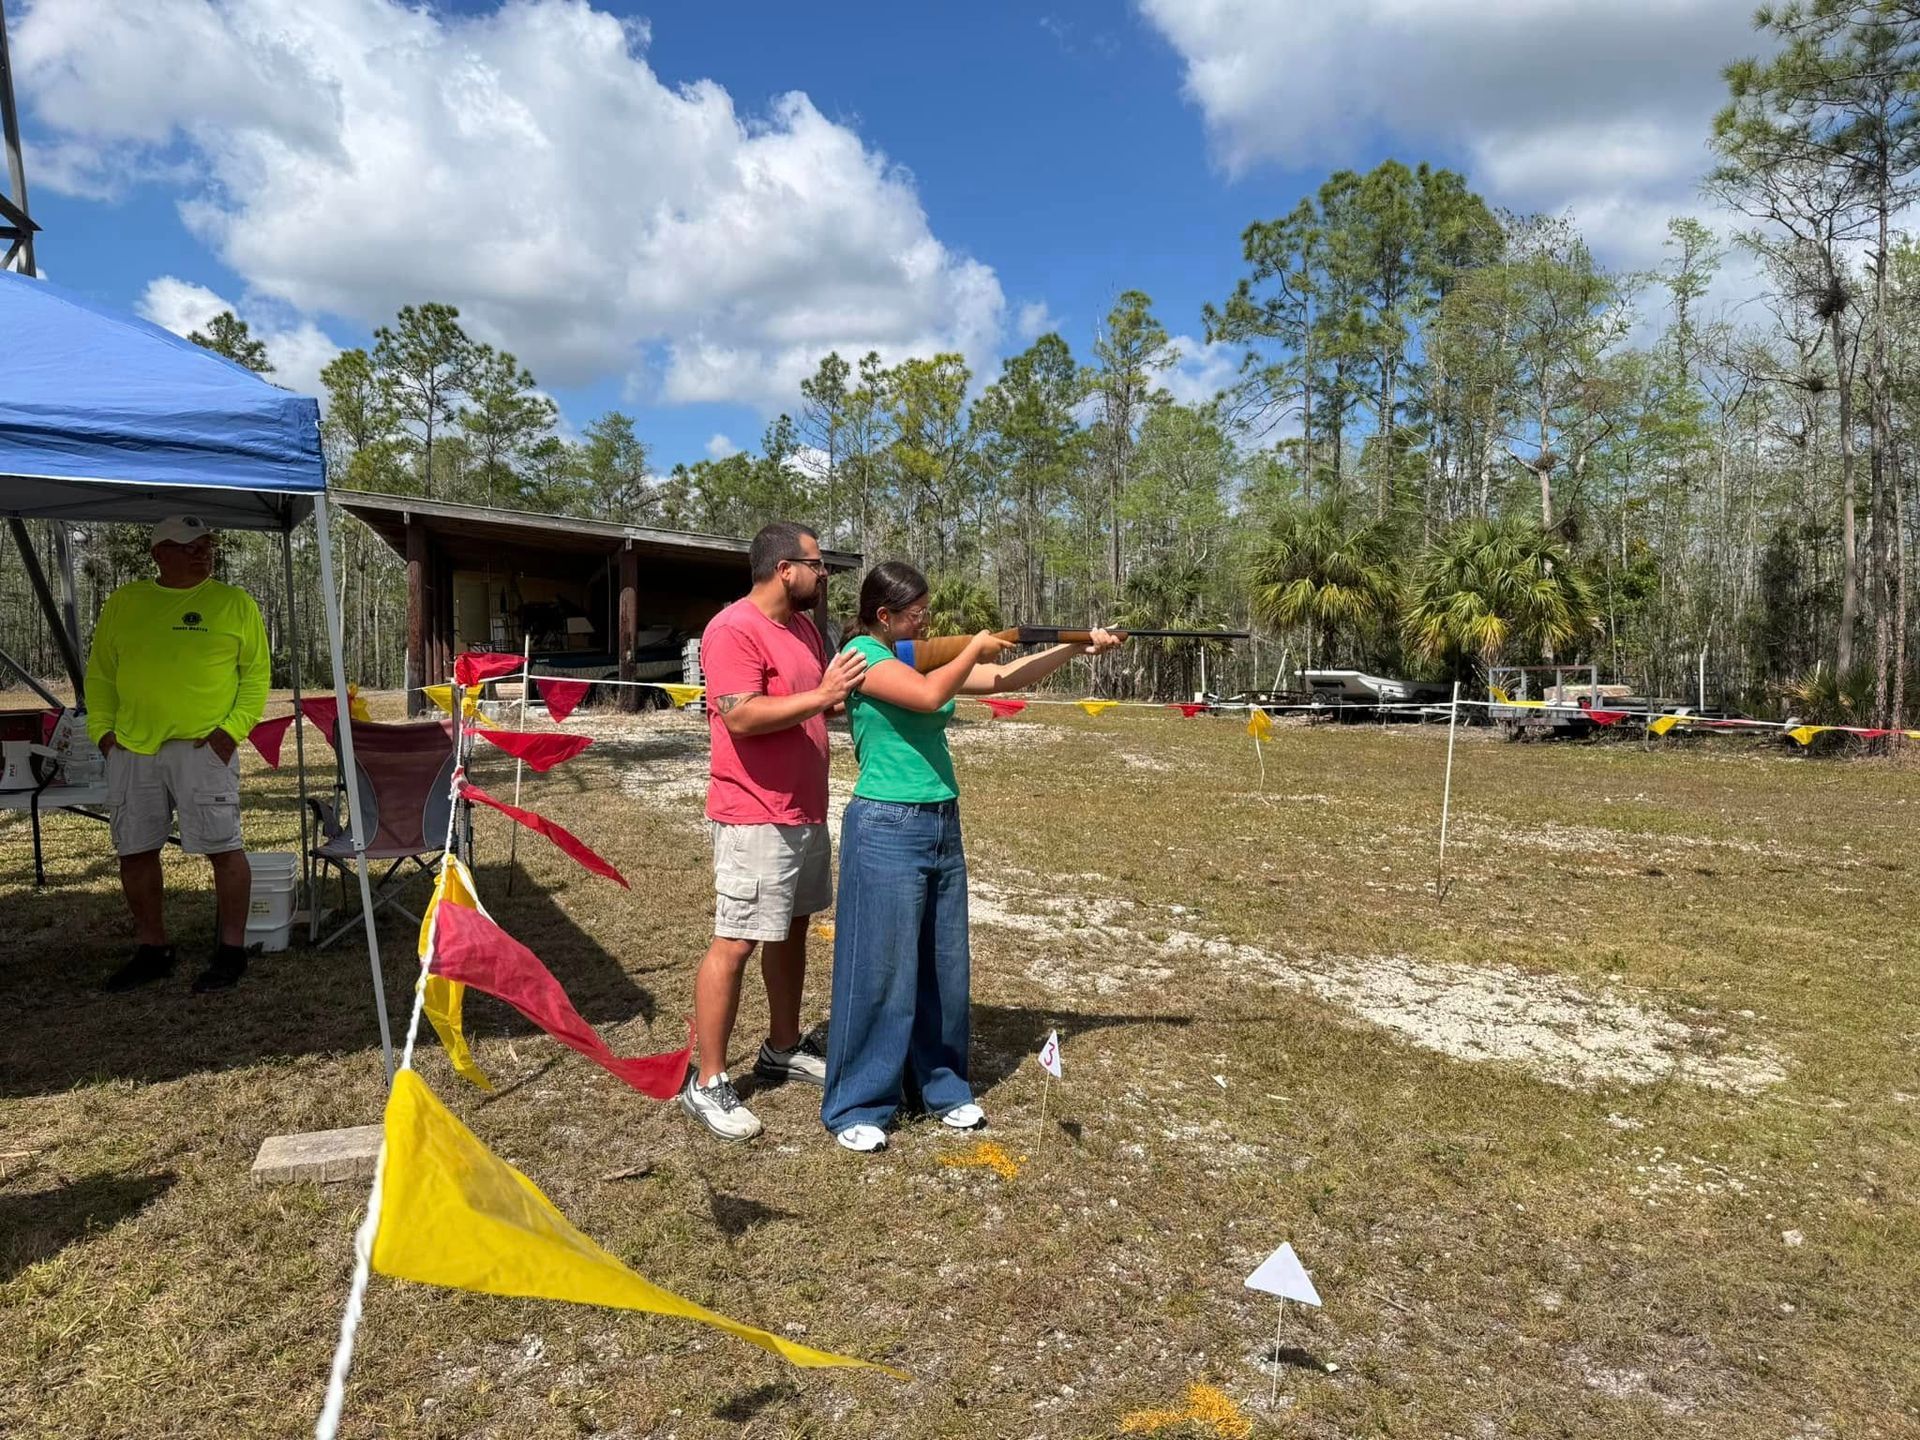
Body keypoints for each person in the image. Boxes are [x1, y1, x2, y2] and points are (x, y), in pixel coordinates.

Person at [821, 561, 1120, 1152]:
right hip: (886, 822)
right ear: (883, 615)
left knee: (942, 965)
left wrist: (1077, 646)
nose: (924, 622)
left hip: (939, 819)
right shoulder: (861, 656)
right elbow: (936, 691)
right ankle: (859, 1102)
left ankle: (942, 1088)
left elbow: (1004, 677)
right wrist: (976, 644)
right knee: (878, 969)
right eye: (914, 615)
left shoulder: (905, 653)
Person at [682, 521, 869, 1141]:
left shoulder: (805, 629)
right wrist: (823, 698)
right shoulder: (733, 628)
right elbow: (741, 715)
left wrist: (858, 693)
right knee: (737, 939)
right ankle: (707, 1081)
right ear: (785, 568)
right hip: (754, 813)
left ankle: (782, 1047)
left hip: (802, 808)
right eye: (818, 565)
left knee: (791, 929)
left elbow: (820, 698)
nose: (824, 576)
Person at [87, 514, 269, 993]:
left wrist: (230, 733)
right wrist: (103, 734)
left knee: (224, 848)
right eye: (188, 545)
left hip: (202, 748)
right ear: (158, 553)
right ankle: (153, 948)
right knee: (135, 849)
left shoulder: (235, 604)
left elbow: (255, 677)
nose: (201, 552)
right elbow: (102, 675)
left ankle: (232, 950)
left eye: (206, 544)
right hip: (132, 748)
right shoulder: (125, 603)